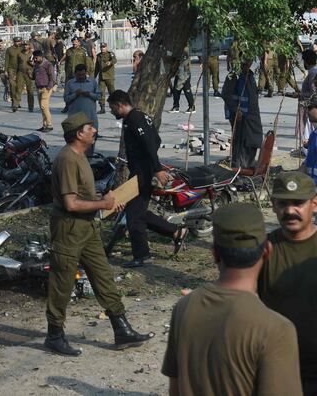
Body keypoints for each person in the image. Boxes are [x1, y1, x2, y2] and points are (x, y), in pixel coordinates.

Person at [162, 203, 301, 396]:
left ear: (214, 253)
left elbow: (175, 390)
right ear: (267, 251)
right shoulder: (276, 329)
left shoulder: (185, 307)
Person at [44, 112, 153, 356]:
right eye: (90, 127)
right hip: (68, 229)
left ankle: (121, 328)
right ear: (78, 134)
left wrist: (108, 201)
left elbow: (83, 197)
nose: (94, 130)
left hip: (87, 227)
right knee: (62, 282)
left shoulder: (80, 156)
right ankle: (54, 335)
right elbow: (71, 203)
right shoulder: (67, 160)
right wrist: (103, 204)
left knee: (103, 276)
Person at [108, 90, 186, 267]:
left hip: (143, 172)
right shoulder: (137, 117)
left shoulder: (135, 119)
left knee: (134, 215)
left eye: (112, 108)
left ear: (120, 105)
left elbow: (150, 144)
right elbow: (156, 140)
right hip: (140, 170)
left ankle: (142, 255)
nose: (112, 111)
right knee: (138, 212)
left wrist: (156, 169)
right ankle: (176, 232)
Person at [258, 171, 317, 394]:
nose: (290, 211)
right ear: (273, 205)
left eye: (298, 203)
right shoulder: (262, 251)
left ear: (314, 204)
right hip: (277, 369)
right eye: (283, 203)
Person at [222, 60, 262, 169]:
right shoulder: (233, 75)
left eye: (249, 62)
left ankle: (248, 165)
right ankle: (239, 167)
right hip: (240, 117)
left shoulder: (250, 75)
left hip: (252, 116)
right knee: (240, 144)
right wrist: (236, 110)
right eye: (244, 62)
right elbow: (226, 94)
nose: (248, 64)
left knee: (253, 141)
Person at [63, 64, 100, 132]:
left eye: (83, 74)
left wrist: (89, 94)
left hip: (90, 116)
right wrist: (75, 94)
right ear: (75, 74)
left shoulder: (92, 82)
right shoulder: (70, 83)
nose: (81, 77)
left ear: (86, 73)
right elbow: (66, 98)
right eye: (79, 75)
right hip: (75, 118)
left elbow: (98, 96)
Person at [33, 49, 56, 133]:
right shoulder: (36, 65)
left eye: (36, 58)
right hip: (38, 88)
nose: (34, 60)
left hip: (46, 88)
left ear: (41, 57)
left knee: (44, 106)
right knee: (42, 108)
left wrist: (49, 88)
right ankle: (44, 125)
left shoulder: (48, 65)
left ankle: (49, 125)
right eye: (34, 58)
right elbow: (33, 76)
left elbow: (52, 78)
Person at [170, 46, 196, 113]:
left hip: (185, 74)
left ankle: (192, 107)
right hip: (179, 73)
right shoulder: (179, 48)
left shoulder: (184, 49)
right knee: (176, 91)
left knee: (187, 91)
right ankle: (176, 106)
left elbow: (184, 64)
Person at [94, 43, 116, 114]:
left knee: (112, 92)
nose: (102, 48)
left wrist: (110, 62)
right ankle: (102, 108)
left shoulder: (110, 54)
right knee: (100, 92)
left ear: (106, 47)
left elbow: (114, 60)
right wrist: (94, 76)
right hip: (101, 77)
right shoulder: (98, 56)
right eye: (101, 47)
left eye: (104, 47)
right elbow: (97, 68)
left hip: (109, 76)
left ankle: (115, 107)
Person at [5, 37, 24, 112]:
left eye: (19, 41)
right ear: (14, 42)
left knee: (19, 87)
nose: (18, 43)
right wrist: (5, 70)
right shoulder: (9, 49)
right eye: (16, 41)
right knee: (12, 86)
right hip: (11, 69)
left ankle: (17, 102)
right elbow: (6, 60)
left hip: (20, 70)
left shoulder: (23, 48)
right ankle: (14, 102)